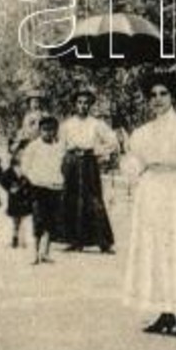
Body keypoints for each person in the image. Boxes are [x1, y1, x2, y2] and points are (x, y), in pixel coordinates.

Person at [122, 79, 176, 340]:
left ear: (173, 96)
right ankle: (164, 312)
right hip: (150, 191)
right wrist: (125, 152)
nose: (158, 99)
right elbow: (133, 169)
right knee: (154, 247)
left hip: (174, 190)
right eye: (153, 94)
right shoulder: (142, 133)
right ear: (147, 99)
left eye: (164, 93)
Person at [59, 88, 118, 254]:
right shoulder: (67, 125)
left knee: (93, 199)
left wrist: (97, 151)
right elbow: (60, 147)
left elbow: (112, 141)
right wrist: (63, 164)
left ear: (90, 105)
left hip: (88, 163)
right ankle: (74, 241)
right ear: (75, 104)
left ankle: (103, 242)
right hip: (71, 163)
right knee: (71, 199)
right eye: (79, 102)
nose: (83, 106)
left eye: (86, 103)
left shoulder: (96, 124)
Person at [16, 114, 66, 266]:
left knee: (51, 221)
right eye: (45, 130)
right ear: (40, 130)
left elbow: (62, 166)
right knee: (38, 220)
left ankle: (45, 253)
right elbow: (25, 167)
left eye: (52, 130)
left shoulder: (60, 147)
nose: (48, 133)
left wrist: (60, 180)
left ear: (56, 131)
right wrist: (32, 179)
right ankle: (34, 254)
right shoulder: (33, 146)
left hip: (55, 187)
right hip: (38, 188)